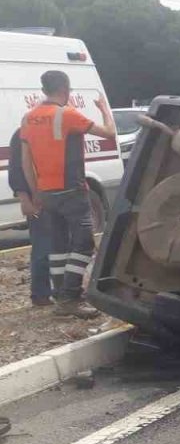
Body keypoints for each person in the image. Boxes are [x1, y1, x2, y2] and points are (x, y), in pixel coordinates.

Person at [20, 70, 116, 319]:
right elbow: (109, 133)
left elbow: (25, 160)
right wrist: (105, 109)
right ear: (65, 89)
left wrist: (35, 192)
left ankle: (60, 297)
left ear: (44, 90)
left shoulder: (28, 118)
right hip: (72, 191)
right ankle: (70, 297)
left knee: (58, 246)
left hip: (46, 193)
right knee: (84, 243)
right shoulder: (68, 115)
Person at [6, 128, 52, 307]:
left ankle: (59, 291)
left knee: (59, 246)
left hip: (57, 197)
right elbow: (16, 170)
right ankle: (41, 295)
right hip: (38, 200)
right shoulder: (24, 132)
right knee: (43, 246)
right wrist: (25, 198)